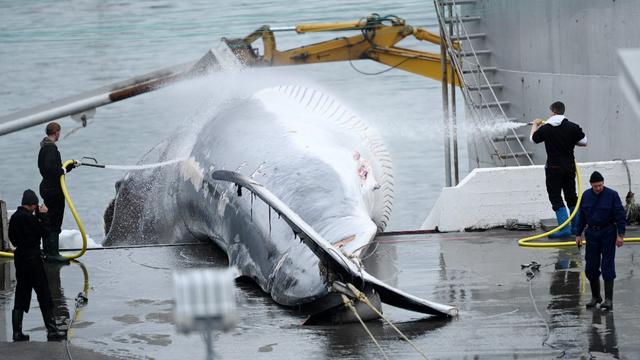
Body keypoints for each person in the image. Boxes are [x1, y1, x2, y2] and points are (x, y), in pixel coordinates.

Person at [8, 189, 67, 341]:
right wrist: (44, 215)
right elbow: (46, 232)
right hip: (34, 261)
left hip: (20, 260)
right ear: (33, 204)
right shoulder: (31, 218)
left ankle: (17, 332)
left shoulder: (14, 218)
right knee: (44, 294)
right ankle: (52, 330)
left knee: (21, 294)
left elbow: (12, 239)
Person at [530, 101, 587, 237]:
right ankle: (576, 229)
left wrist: (534, 125)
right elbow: (584, 142)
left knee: (556, 197)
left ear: (553, 111)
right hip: (569, 167)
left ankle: (564, 229)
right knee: (571, 197)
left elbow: (533, 139)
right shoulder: (573, 127)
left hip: (553, 168)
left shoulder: (546, 128)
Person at [576, 171, 625, 311]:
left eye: (601, 185)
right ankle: (596, 296)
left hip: (608, 233)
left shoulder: (612, 195)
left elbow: (620, 215)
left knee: (607, 265)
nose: (599, 188)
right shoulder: (586, 196)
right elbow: (582, 217)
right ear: (591, 185)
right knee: (591, 267)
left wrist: (620, 235)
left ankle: (609, 300)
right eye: (596, 186)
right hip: (591, 234)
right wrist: (578, 234)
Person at [38, 122, 75, 262]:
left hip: (47, 187)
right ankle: (53, 254)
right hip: (54, 189)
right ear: (56, 132)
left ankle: (48, 252)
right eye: (59, 132)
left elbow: (51, 167)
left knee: (48, 219)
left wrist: (68, 167)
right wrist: (62, 170)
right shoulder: (51, 148)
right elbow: (50, 168)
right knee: (55, 220)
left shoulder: (44, 147)